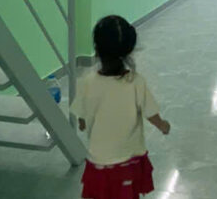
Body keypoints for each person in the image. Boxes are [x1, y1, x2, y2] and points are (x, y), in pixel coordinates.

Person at [71, 15, 170, 199]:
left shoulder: (87, 82)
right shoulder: (136, 83)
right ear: (128, 50)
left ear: (97, 49)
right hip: (127, 162)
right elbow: (151, 113)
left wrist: (83, 122)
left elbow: (82, 115)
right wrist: (163, 125)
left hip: (99, 162)